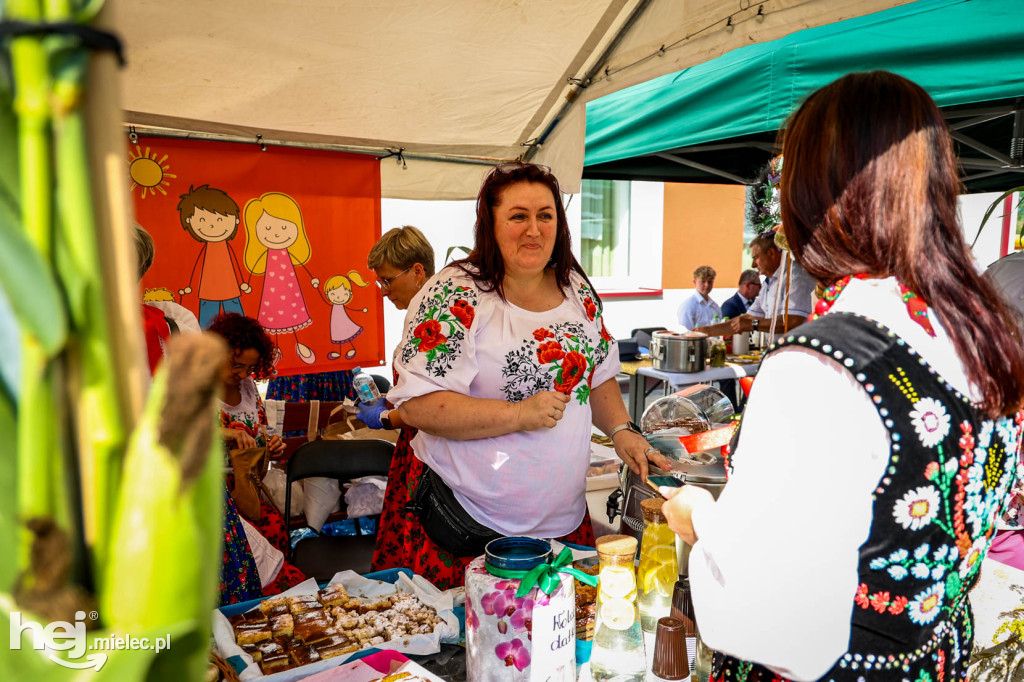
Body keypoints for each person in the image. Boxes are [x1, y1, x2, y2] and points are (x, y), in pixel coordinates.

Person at [659, 71, 1024, 681]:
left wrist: (700, 517)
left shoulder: (822, 365)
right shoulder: (985, 340)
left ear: (810, 194)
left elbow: (772, 616)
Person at [385, 163, 670, 589]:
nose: (533, 229)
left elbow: (599, 373)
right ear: (491, 225)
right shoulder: (455, 291)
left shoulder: (574, 286)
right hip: (470, 522)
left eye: (545, 215)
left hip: (563, 521)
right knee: (475, 646)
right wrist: (518, 414)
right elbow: (420, 406)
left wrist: (622, 430)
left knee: (556, 646)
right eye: (518, 216)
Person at [208, 313, 308, 596]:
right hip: (214, 498)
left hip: (248, 488)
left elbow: (260, 433)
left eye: (249, 368)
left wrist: (271, 445)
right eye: (236, 365)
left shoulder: (248, 389)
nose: (241, 374)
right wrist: (224, 434)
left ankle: (279, 604)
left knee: (273, 525)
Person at [357, 225, 435, 574]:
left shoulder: (432, 316)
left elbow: (435, 402)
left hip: (431, 450)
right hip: (418, 444)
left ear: (418, 271)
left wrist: (386, 417)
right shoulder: (421, 311)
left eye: (388, 280)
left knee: (425, 548)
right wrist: (392, 400)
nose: (384, 291)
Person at [242, 192, 318, 365]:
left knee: (293, 315)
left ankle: (300, 344)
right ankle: (275, 348)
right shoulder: (265, 255)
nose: (276, 234)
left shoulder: (290, 254)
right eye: (267, 229)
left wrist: (312, 278)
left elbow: (302, 265)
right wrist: (247, 282)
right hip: (271, 291)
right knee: (273, 316)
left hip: (290, 289)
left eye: (284, 228)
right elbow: (254, 268)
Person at [695, 231, 815, 341]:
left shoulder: (796, 277)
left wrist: (753, 324)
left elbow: (793, 320)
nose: (753, 265)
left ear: (772, 253)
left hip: (795, 354)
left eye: (755, 257)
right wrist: (707, 331)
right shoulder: (770, 282)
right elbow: (748, 318)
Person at [176, 185, 250, 328]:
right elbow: (198, 266)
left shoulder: (226, 247)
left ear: (235, 220)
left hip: (230, 288)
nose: (211, 226)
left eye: (220, 220)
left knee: (238, 320)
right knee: (206, 321)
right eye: (202, 220)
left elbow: (234, 265)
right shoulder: (206, 249)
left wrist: (241, 282)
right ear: (189, 221)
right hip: (208, 289)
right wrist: (190, 286)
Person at [677, 265, 722, 330]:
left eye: (710, 282)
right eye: (703, 281)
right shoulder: (688, 305)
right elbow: (686, 332)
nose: (707, 285)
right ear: (695, 282)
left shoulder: (715, 306)